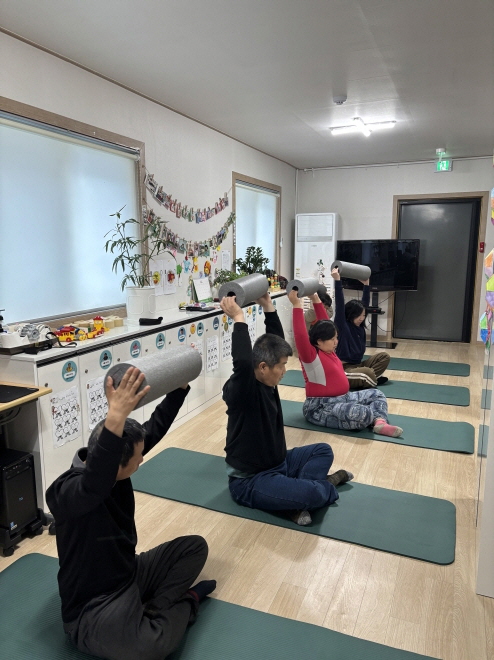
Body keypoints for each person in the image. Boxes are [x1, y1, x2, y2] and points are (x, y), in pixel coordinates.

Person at [46, 367, 216, 660]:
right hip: (93, 607)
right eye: (137, 459)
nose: (141, 461)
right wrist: (115, 414)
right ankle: (187, 603)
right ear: (114, 462)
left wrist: (178, 386)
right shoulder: (66, 493)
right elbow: (93, 486)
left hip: (129, 574)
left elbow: (154, 429)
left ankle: (155, 608)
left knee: (194, 548)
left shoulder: (117, 467)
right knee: (151, 647)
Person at [220, 291, 352, 528]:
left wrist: (268, 306)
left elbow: (276, 340)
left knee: (323, 450)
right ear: (262, 367)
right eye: (281, 366)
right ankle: (320, 488)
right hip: (251, 480)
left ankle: (294, 497)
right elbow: (241, 362)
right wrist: (238, 318)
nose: (284, 371)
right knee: (313, 493)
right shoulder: (244, 391)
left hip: (280, 463)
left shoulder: (267, 379)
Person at [289, 289, 403, 438]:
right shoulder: (311, 356)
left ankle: (380, 423)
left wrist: (316, 299)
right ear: (319, 341)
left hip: (344, 397)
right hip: (320, 407)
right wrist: (296, 304)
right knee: (363, 413)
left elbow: (326, 324)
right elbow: (300, 335)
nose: (336, 342)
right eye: (333, 339)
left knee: (377, 394)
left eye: (336, 337)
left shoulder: (329, 350)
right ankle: (372, 417)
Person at [331, 267, 390, 389]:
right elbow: (339, 304)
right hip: (345, 368)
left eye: (363, 315)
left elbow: (365, 304)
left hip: (358, 365)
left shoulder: (360, 326)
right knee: (367, 372)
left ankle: (368, 379)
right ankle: (369, 379)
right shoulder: (342, 325)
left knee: (384, 357)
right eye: (358, 315)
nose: (362, 318)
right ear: (351, 314)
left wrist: (366, 285)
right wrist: (337, 281)